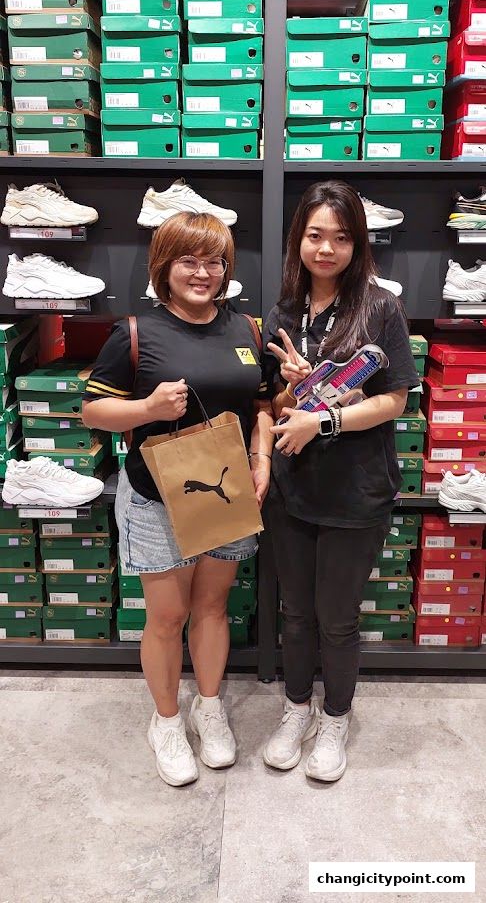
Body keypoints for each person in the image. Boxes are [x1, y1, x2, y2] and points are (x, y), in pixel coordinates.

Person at [82, 212, 273, 788]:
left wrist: (261, 459)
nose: (203, 272)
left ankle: (208, 706)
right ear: (164, 266)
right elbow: (93, 411)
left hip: (225, 491)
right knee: (167, 616)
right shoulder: (137, 331)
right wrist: (145, 410)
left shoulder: (247, 328)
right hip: (156, 496)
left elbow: (263, 404)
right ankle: (166, 721)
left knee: (212, 608)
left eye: (214, 261)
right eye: (189, 260)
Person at [261, 180, 418, 783]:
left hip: (356, 490)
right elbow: (274, 405)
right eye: (315, 235)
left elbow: (395, 401)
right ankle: (295, 708)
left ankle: (335, 717)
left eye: (341, 237)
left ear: (358, 244)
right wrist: (296, 388)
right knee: (294, 613)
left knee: (337, 618)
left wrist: (323, 417)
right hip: (293, 488)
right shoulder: (282, 313)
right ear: (298, 238)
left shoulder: (381, 308)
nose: (326, 249)